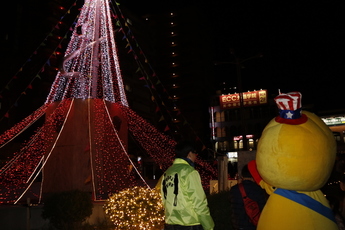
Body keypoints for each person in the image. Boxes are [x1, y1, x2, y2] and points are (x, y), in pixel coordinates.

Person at [158, 140, 214, 230]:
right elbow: (199, 201)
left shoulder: (167, 172)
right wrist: (208, 225)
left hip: (170, 223)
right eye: (195, 153)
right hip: (190, 223)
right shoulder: (189, 172)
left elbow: (163, 198)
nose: (196, 156)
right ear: (189, 154)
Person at [229, 164, 267, 230]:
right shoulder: (258, 189)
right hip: (253, 224)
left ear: (242, 175)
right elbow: (263, 208)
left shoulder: (234, 189)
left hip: (238, 225)